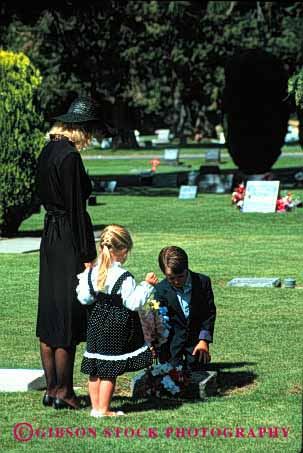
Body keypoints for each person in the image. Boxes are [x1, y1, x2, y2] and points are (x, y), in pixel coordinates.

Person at [36, 96, 114, 410]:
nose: (92, 137)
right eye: (91, 130)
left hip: (50, 236)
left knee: (50, 310)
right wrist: (87, 254)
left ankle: (52, 389)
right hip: (68, 237)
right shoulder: (68, 156)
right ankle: (65, 392)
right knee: (67, 313)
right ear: (80, 129)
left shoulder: (47, 151)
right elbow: (76, 210)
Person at [76, 224, 158, 417]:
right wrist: (147, 285)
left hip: (96, 322)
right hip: (116, 325)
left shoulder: (91, 272)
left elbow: (83, 298)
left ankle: (96, 408)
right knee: (109, 369)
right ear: (123, 250)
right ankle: (104, 410)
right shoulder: (124, 277)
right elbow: (132, 303)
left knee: (96, 367)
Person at [154, 246, 216, 370]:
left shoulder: (203, 283)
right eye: (171, 278)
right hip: (170, 347)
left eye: (180, 276)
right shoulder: (159, 290)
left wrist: (204, 340)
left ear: (186, 268)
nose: (176, 281)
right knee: (170, 379)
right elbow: (158, 318)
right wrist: (154, 343)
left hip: (196, 345)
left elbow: (208, 313)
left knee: (198, 376)